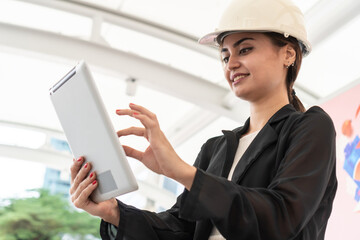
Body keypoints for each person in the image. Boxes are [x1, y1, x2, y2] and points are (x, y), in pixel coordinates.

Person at [69, 0, 337, 239]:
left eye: (245, 50)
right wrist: (114, 212)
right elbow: (181, 229)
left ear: (288, 54)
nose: (230, 64)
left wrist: (181, 171)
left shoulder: (310, 128)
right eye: (225, 55)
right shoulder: (215, 148)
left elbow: (280, 219)